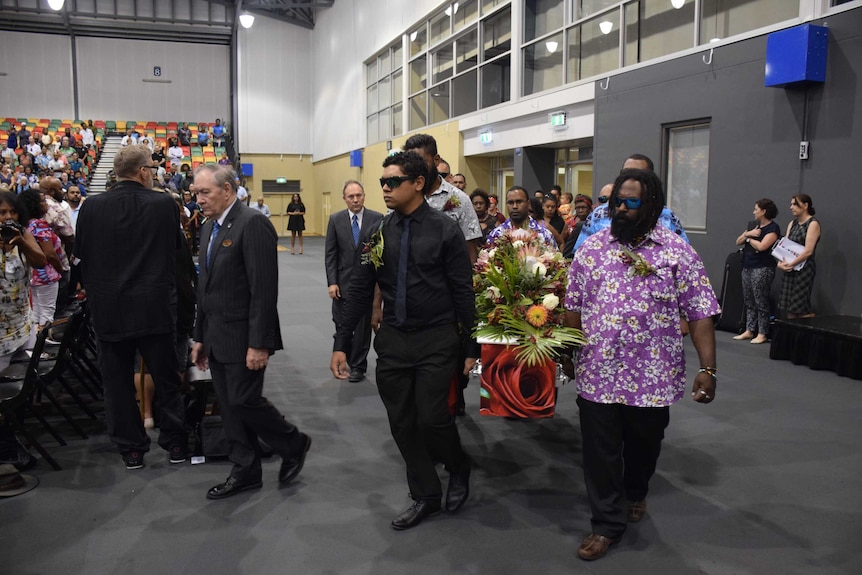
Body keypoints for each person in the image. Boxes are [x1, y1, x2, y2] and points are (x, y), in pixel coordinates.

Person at [564, 168, 721, 561]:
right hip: (598, 371)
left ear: (651, 204)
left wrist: (708, 368)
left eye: (630, 201)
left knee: (644, 445)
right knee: (599, 451)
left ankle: (636, 490)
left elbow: (700, 312)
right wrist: (567, 352)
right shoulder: (593, 248)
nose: (619, 208)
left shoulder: (676, 251)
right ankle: (606, 523)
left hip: (652, 375)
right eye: (616, 200)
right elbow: (573, 306)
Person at [330, 151, 475, 530]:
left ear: (418, 184)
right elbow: (359, 291)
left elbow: (464, 292)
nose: (385, 188)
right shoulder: (377, 231)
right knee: (401, 423)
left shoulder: (446, 229)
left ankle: (459, 466)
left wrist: (471, 347)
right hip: (394, 341)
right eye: (382, 182)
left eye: (393, 182)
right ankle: (425, 494)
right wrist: (341, 342)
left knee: (433, 419)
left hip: (437, 339)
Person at [191, 164, 311, 500]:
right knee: (229, 406)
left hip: (244, 336)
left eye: (205, 192)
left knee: (243, 400)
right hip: (216, 334)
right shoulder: (208, 228)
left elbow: (263, 289)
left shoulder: (252, 223)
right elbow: (205, 289)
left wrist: (259, 343)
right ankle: (245, 470)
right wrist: (200, 336)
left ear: (227, 190)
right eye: (196, 193)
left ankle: (292, 442)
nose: (199, 199)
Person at [76, 145, 189, 470]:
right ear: (142, 172)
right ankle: (175, 443)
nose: (153, 174)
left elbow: (82, 255)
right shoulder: (163, 204)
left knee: (117, 384)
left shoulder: (91, 206)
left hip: (109, 310)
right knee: (166, 379)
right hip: (154, 307)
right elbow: (175, 250)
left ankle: (132, 450)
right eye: (152, 169)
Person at [324, 180, 383, 383]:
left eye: (359, 195)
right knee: (341, 325)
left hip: (367, 285)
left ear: (364, 196)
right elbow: (330, 254)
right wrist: (332, 282)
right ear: (344, 199)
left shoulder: (377, 219)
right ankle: (346, 355)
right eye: (351, 196)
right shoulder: (335, 220)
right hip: (342, 284)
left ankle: (358, 366)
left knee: (362, 329)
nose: (355, 199)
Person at [574, 154, 688, 252]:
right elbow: (580, 253)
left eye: (638, 174)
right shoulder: (598, 215)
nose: (630, 179)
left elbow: (685, 256)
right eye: (626, 173)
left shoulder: (667, 217)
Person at [404, 134, 482, 263]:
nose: (416, 169)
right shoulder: (405, 197)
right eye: (411, 164)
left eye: (421, 162)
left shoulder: (460, 199)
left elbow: (469, 249)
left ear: (436, 160)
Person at [0, 191, 47, 370]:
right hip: (1, 330)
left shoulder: (23, 234)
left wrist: (21, 243)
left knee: (27, 375)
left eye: (13, 212)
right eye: (2, 212)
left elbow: (41, 262)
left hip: (21, 322)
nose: (8, 217)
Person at [734, 199, 780, 343]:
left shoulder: (773, 228)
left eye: (756, 209)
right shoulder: (754, 227)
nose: (754, 212)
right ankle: (749, 329)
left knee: (761, 300)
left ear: (764, 211)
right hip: (748, 265)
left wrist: (748, 238)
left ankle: (762, 332)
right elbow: (738, 241)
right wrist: (748, 235)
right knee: (749, 299)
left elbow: (762, 247)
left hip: (763, 267)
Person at [18, 190, 63, 331]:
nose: (46, 204)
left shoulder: (25, 225)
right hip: (47, 274)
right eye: (43, 201)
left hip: (33, 274)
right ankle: (43, 346)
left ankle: (36, 344)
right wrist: (60, 269)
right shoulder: (40, 225)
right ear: (34, 205)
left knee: (36, 312)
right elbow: (49, 253)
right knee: (47, 313)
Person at [778, 194, 820, 318]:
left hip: (804, 269)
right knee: (789, 306)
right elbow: (784, 246)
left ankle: (802, 329)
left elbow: (808, 251)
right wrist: (780, 263)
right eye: (791, 204)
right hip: (790, 268)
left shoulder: (813, 224)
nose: (791, 207)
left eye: (795, 204)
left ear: (805, 205)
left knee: (797, 307)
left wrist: (791, 263)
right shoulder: (792, 223)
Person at [486, 186, 557, 247]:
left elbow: (555, 261)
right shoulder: (496, 235)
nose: (514, 206)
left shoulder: (544, 234)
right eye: (510, 203)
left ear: (528, 204)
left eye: (519, 202)